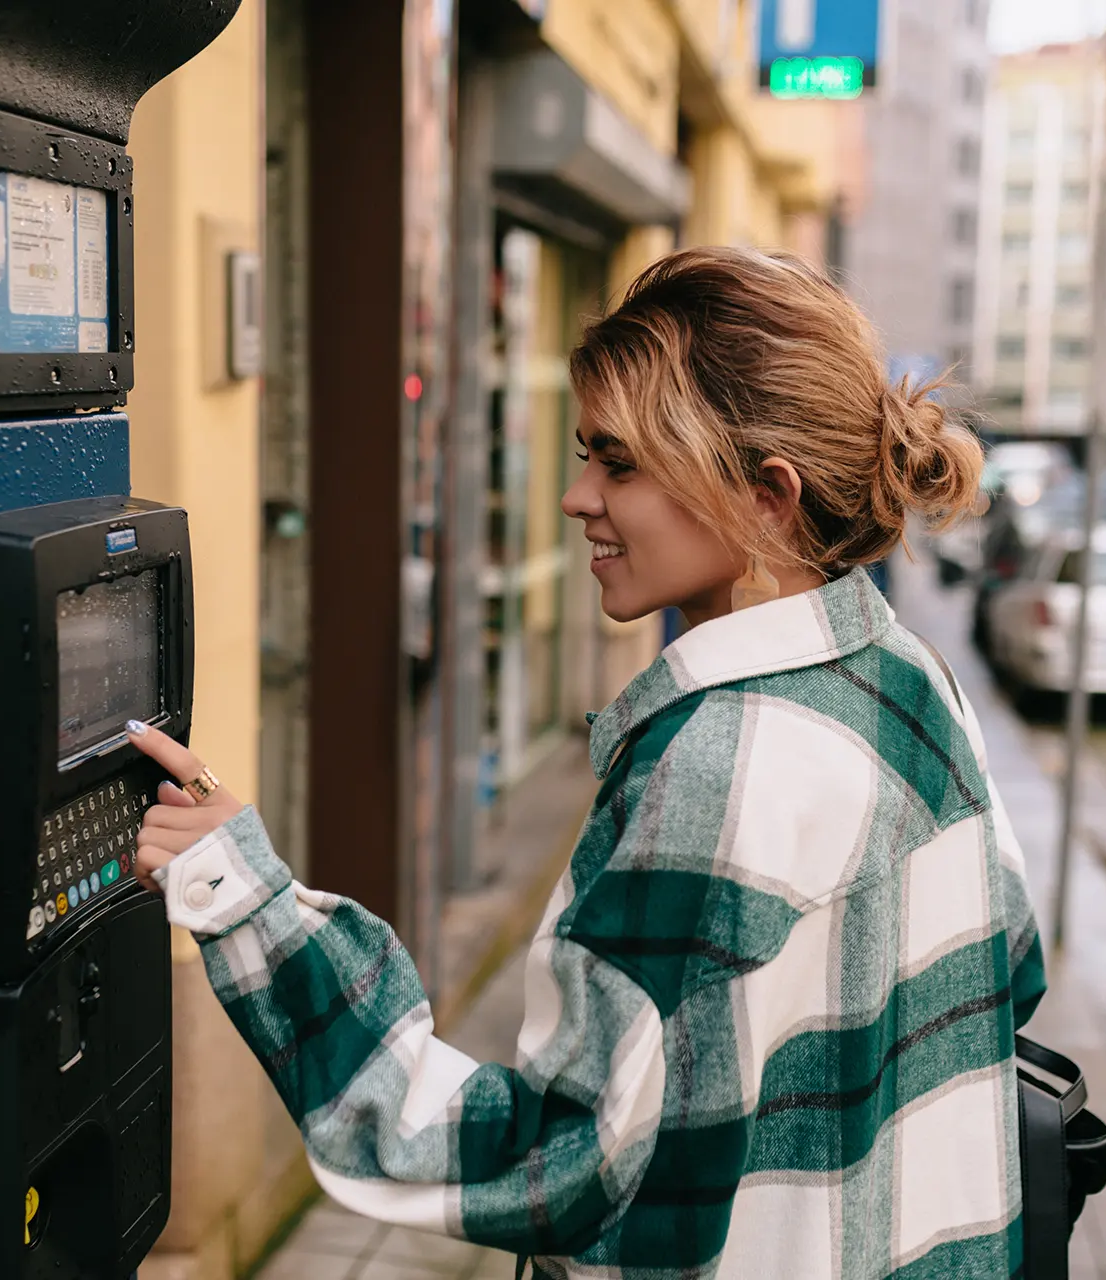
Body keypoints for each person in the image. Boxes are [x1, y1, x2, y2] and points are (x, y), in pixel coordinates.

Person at [127, 246, 1047, 1279]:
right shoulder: (908, 676)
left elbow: (559, 1162)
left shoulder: (725, 764)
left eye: (620, 462)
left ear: (767, 497)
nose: (575, 497)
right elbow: (1009, 962)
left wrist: (247, 900)